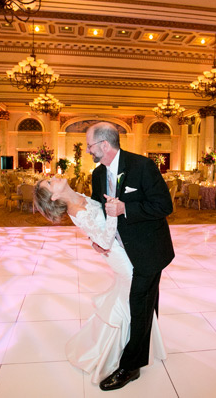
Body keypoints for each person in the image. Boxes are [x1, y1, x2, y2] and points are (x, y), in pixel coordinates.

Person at [33, 177, 166, 386]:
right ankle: (120, 355)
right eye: (50, 183)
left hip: (122, 246)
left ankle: (135, 347)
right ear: (54, 196)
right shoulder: (75, 209)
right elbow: (104, 239)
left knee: (131, 295)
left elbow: (95, 229)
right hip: (117, 254)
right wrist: (112, 213)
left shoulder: (79, 196)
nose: (53, 178)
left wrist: (97, 231)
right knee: (131, 293)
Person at [86, 122, 175, 391]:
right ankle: (152, 338)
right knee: (146, 301)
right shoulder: (97, 174)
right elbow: (98, 210)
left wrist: (126, 208)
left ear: (104, 145)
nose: (88, 150)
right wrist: (97, 239)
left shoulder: (143, 166)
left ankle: (131, 366)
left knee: (139, 301)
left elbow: (164, 205)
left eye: (90, 145)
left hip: (149, 249)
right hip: (122, 251)